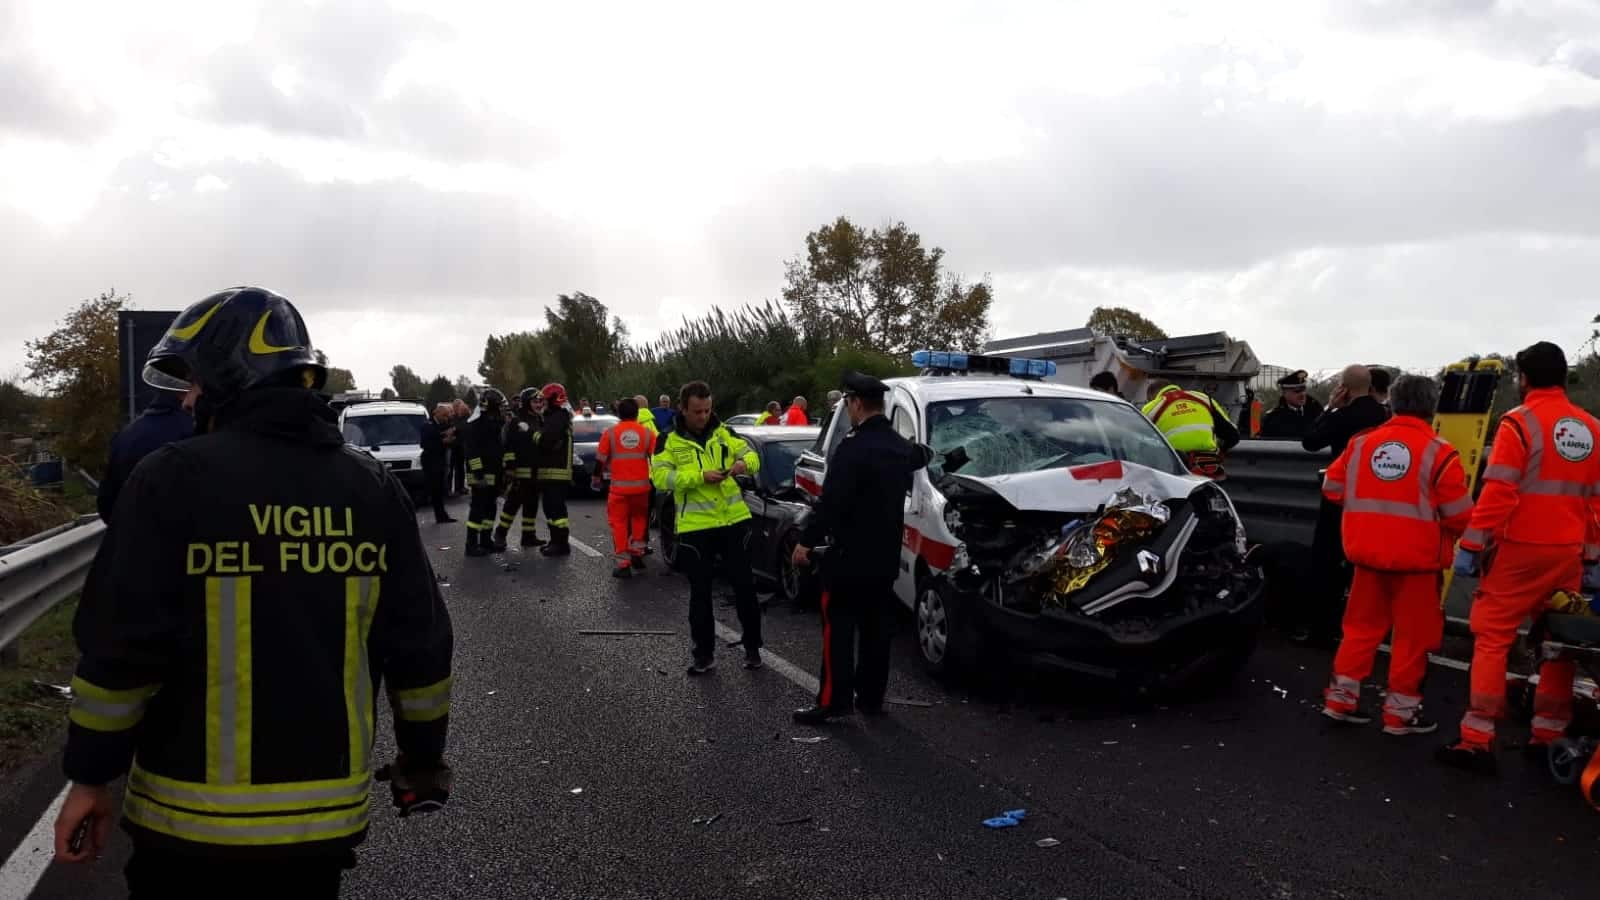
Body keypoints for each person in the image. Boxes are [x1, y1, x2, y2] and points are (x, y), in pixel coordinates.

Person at [52, 286, 453, 897]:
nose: (185, 400)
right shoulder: (369, 487)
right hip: (319, 832)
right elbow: (419, 650)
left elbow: (120, 654)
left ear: (225, 375)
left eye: (190, 382)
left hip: (185, 829)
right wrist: (422, 762)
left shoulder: (170, 479)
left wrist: (89, 778)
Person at [1438, 342, 1600, 774]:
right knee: (1556, 642)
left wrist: (1472, 544)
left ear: (1524, 378)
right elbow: (1595, 501)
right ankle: (1547, 733)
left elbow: (1499, 492)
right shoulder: (1590, 428)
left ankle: (1477, 737)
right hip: (1567, 552)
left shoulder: (1520, 423)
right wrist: (1591, 555)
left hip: (1520, 549)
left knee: (1493, 636)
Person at [1318, 376, 1472, 735]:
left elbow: (1332, 488)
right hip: (1417, 564)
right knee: (1411, 639)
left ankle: (1340, 701)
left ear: (1392, 403)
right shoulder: (1440, 452)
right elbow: (1461, 515)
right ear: (1430, 407)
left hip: (1367, 557)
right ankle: (1399, 715)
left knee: (1359, 631)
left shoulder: (1361, 444)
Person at [792, 372, 927, 724]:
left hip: (848, 556)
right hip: (884, 557)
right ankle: (870, 699)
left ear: (854, 403)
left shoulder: (851, 449)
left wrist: (805, 542)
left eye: (848, 404)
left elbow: (831, 503)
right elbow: (921, 456)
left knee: (837, 629)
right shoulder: (900, 447)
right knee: (876, 629)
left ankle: (834, 701)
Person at [651, 381, 764, 674]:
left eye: (707, 410)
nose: (703, 416)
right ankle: (704, 655)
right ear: (683, 409)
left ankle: (753, 648)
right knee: (700, 593)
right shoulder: (668, 440)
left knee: (744, 588)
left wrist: (744, 466)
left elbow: (752, 457)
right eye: (697, 411)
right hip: (696, 528)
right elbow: (661, 479)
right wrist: (700, 476)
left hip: (733, 521)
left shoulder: (724, 431)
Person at [1300, 365, 1391, 646]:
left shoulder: (1343, 416)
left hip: (1341, 501)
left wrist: (1330, 407)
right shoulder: (1385, 417)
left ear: (1344, 389)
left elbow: (1310, 442)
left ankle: (1322, 630)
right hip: (1378, 502)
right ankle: (1364, 629)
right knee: (1362, 570)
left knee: (1326, 564)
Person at [97, 389, 196, 522]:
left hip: (135, 533)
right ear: (187, 391)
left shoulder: (126, 434)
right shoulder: (195, 432)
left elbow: (106, 503)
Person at [596, 398, 653, 578]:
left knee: (619, 524)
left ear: (618, 414)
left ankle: (623, 564)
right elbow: (657, 459)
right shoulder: (647, 433)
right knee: (639, 520)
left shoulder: (610, 433)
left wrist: (596, 478)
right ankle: (637, 555)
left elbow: (600, 460)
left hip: (619, 490)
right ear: (637, 413)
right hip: (642, 489)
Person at [1142, 379, 1240, 478]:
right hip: (1207, 466)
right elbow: (1233, 436)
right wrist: (1219, 452)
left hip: (1174, 467)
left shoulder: (1150, 409)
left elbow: (1140, 444)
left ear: (1151, 397)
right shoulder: (1204, 398)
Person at [493, 388, 545, 549]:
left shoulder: (539, 419)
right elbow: (509, 446)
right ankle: (500, 534)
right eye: (535, 401)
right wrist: (510, 468)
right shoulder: (516, 421)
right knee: (513, 504)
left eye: (540, 401)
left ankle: (528, 536)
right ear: (526, 403)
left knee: (532, 504)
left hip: (536, 470)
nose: (538, 404)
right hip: (520, 471)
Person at [463, 388, 507, 557]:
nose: (502, 409)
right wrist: (478, 473)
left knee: (490, 508)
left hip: (494, 472)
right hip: (480, 475)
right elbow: (472, 451)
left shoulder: (494, 422)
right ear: (491, 406)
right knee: (478, 509)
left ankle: (486, 540)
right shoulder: (476, 424)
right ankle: (471, 544)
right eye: (499, 406)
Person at [533, 382, 575, 556]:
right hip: (553, 470)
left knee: (555, 510)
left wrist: (533, 434)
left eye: (544, 399)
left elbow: (546, 440)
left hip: (555, 471)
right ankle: (556, 541)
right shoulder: (557, 415)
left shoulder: (557, 417)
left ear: (552, 399)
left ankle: (560, 544)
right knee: (552, 509)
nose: (542, 403)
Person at [1258, 370, 1325, 441]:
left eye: (1303, 390)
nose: (1302, 394)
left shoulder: (1317, 412)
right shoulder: (1272, 419)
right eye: (1297, 391)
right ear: (1284, 393)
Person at [420, 403, 457, 524]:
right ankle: (440, 516)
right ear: (437, 413)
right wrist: (443, 441)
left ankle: (442, 515)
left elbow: (439, 436)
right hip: (431, 462)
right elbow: (426, 444)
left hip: (439, 461)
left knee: (439, 490)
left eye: (447, 416)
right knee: (435, 490)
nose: (446, 418)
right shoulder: (428, 425)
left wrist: (449, 437)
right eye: (444, 415)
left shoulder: (439, 425)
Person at [449, 398, 469, 496]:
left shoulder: (466, 417)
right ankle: (455, 488)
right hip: (454, 445)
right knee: (455, 467)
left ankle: (460, 487)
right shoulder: (453, 417)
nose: (457, 408)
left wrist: (456, 429)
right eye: (455, 407)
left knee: (461, 467)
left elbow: (464, 427)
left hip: (463, 445)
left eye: (458, 407)